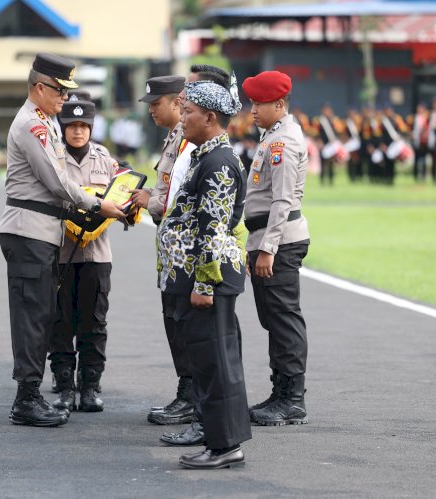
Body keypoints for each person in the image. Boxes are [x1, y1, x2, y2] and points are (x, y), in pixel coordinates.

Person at [0, 53, 124, 428]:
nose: (64, 99)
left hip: (41, 230)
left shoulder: (44, 122)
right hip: (28, 230)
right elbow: (56, 181)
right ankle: (27, 398)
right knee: (32, 316)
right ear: (39, 87)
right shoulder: (31, 126)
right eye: (59, 91)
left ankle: (32, 394)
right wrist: (98, 203)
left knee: (42, 314)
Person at [156, 78, 250, 470]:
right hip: (198, 276)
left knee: (214, 362)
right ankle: (221, 442)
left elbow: (213, 228)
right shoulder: (203, 155)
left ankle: (224, 445)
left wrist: (204, 285)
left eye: (189, 113)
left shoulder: (218, 162)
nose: (183, 120)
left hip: (207, 279)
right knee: (209, 361)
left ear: (210, 117)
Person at [47, 100, 131, 413]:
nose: (78, 131)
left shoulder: (105, 159)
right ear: (63, 128)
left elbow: (119, 198)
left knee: (94, 321)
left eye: (83, 126)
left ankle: (90, 387)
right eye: (72, 126)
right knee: (60, 321)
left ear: (91, 128)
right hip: (61, 252)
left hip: (96, 255)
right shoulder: (52, 157)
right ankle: (65, 386)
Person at [242, 70, 311, 426]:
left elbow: (283, 200)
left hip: (279, 241)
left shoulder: (283, 141)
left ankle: (292, 399)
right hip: (266, 239)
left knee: (283, 319)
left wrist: (268, 248)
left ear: (279, 105)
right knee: (273, 319)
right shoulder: (272, 136)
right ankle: (281, 392)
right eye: (252, 102)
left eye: (260, 103)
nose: (252, 109)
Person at [129, 74, 198, 426]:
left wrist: (149, 200)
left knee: (183, 320)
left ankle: (191, 395)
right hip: (169, 244)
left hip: (184, 247)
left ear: (176, 102)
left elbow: (180, 196)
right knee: (173, 318)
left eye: (157, 104)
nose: (152, 111)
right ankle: (186, 391)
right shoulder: (175, 137)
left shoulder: (189, 140)